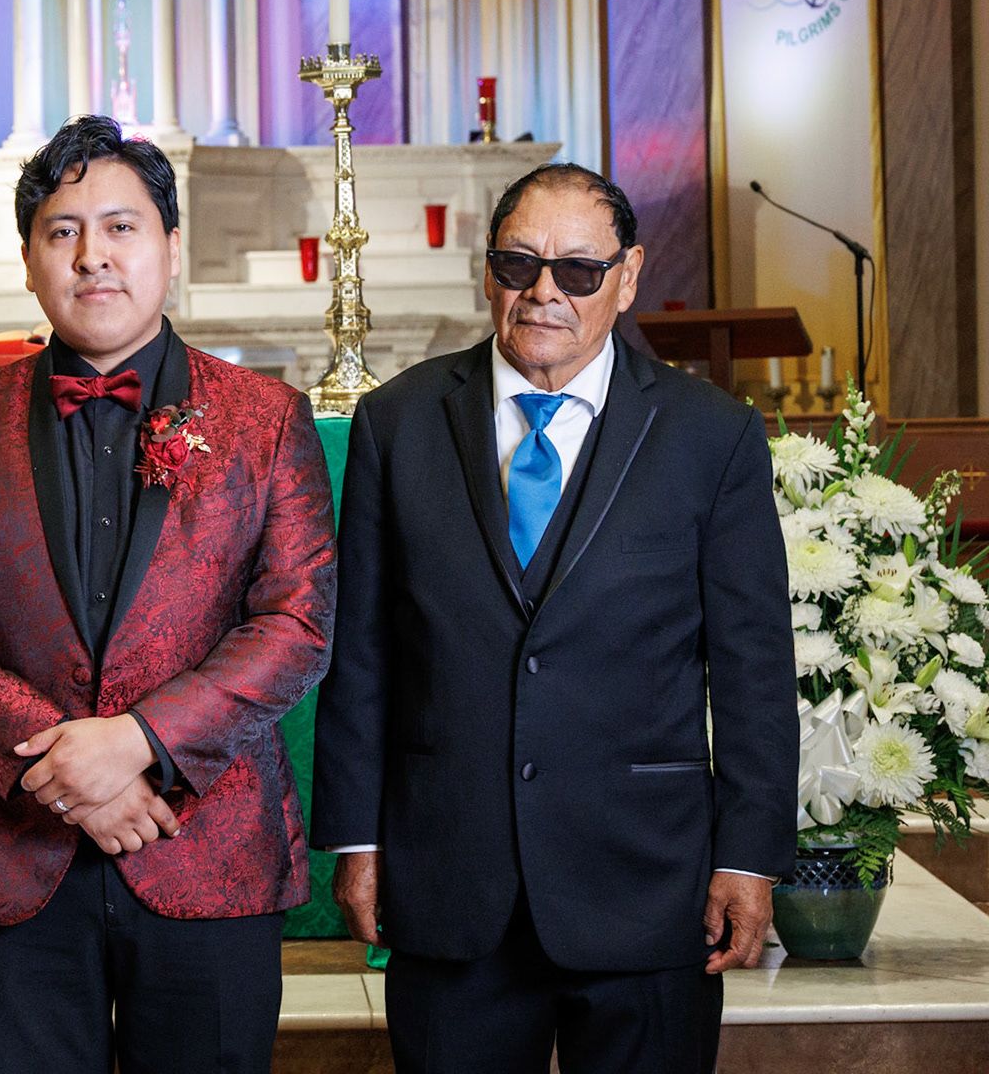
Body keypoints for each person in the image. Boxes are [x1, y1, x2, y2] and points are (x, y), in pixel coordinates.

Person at [310, 163, 797, 1072]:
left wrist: (749, 857)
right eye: (519, 264)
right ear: (486, 271)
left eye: (578, 270)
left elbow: (754, 668)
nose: (544, 292)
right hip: (450, 878)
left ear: (628, 276)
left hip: (649, 885)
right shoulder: (396, 423)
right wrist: (359, 840)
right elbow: (362, 653)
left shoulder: (713, 436)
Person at [0, 115, 338, 1074]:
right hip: (18, 854)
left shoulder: (265, 417)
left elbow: (295, 623)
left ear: (170, 245)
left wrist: (136, 742)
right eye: (63, 231)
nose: (92, 255)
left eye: (121, 227)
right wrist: (63, 768)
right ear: (29, 261)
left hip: (208, 848)